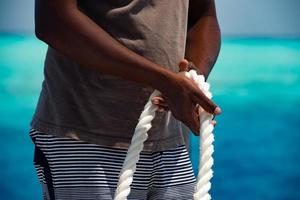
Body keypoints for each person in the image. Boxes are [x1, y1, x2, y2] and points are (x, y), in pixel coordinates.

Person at [29, 0, 222, 199]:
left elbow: (203, 16)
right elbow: (53, 22)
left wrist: (192, 76)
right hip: (85, 136)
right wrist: (164, 81)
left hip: (172, 142)